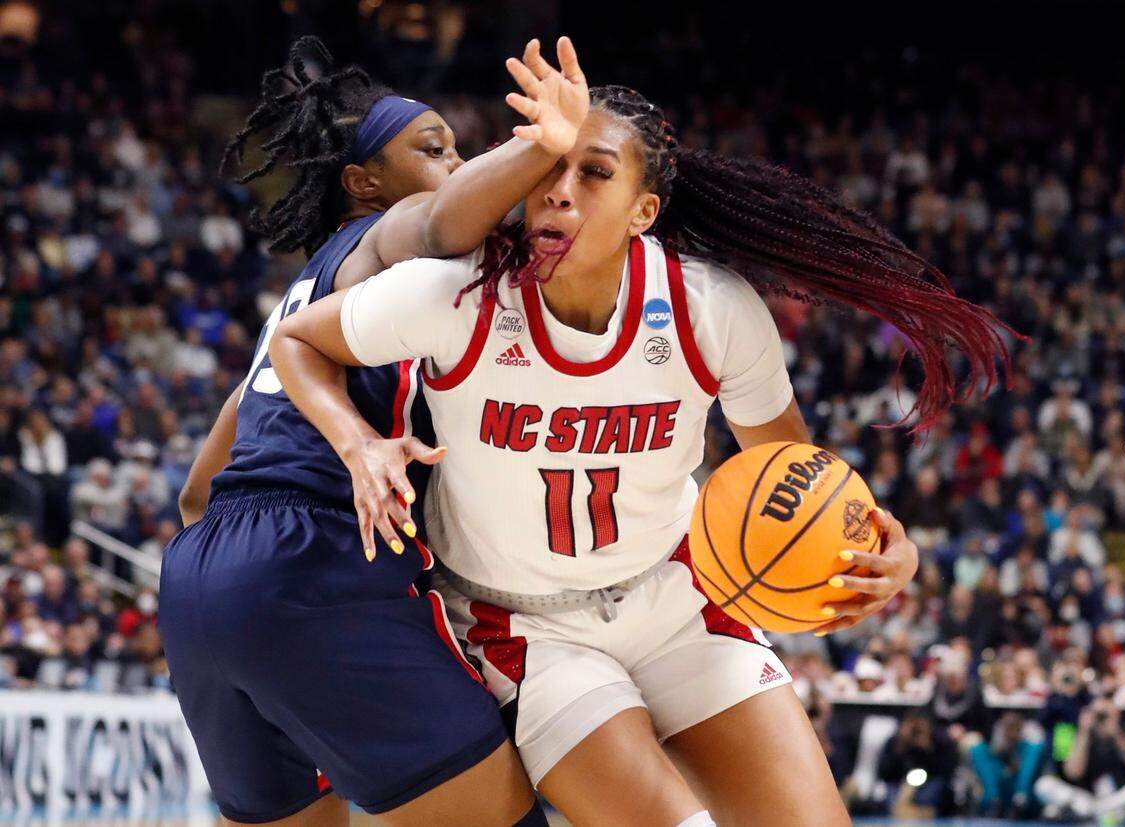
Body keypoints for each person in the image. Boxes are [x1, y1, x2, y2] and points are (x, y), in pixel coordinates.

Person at [271, 83, 1013, 825]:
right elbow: (296, 337)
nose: (558, 192)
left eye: (593, 173)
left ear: (643, 211)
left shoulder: (711, 308)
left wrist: (882, 545)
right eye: (546, 169)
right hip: (527, 629)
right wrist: (358, 442)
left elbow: (790, 474)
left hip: (679, 597)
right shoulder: (454, 296)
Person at [160, 35, 590, 827]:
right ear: (365, 182)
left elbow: (197, 489)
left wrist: (246, 605)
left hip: (196, 584)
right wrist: (540, 147)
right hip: (313, 559)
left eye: (461, 149)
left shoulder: (299, 307)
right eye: (435, 150)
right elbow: (434, 226)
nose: (458, 167)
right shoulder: (380, 240)